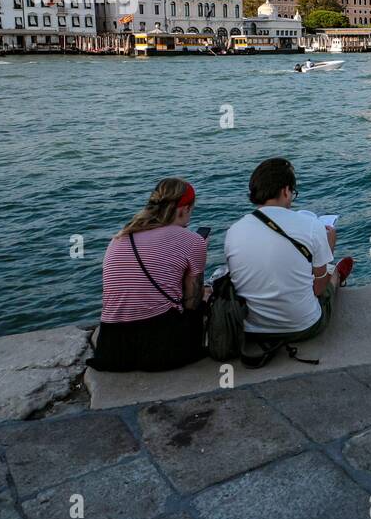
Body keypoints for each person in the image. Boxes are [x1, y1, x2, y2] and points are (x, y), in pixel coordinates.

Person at [223, 158, 353, 366]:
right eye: (293, 191)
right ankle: (336, 273)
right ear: (285, 190)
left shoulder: (234, 231)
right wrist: (328, 247)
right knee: (330, 279)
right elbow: (317, 290)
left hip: (252, 329)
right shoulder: (311, 226)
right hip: (302, 325)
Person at [92, 178, 208, 372]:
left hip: (112, 349)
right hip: (160, 350)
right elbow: (191, 303)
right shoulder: (193, 240)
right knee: (205, 295)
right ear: (184, 209)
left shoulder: (121, 236)